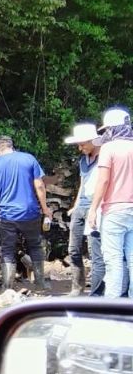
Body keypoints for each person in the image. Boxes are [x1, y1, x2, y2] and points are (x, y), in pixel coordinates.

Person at [0, 135, 52, 290]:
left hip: (7, 215)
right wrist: (45, 208)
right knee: (35, 246)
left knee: (8, 249)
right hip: (30, 212)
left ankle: (7, 287)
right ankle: (40, 283)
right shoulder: (29, 159)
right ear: (11, 146)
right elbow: (39, 186)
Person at [88, 107, 133, 299]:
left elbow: (104, 180)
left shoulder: (109, 148)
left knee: (113, 261)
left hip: (114, 211)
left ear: (112, 129)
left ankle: (112, 304)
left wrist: (93, 209)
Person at [63, 123, 103, 296]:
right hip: (81, 207)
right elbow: (83, 184)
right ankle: (77, 287)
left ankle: (97, 292)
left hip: (97, 208)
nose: (80, 148)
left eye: (83, 144)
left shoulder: (105, 158)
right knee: (73, 249)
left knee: (96, 253)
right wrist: (76, 205)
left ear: (93, 140)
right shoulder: (83, 161)